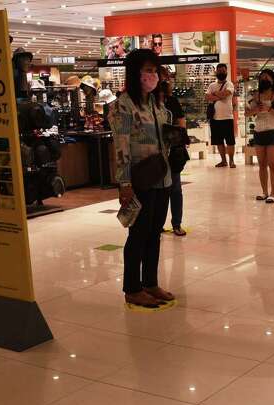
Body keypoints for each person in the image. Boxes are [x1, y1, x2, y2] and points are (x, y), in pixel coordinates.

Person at [111, 49, 175, 308]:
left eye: (155, 70)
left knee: (155, 233)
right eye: (147, 70)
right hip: (140, 179)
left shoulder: (157, 104)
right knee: (138, 234)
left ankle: (150, 282)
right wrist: (124, 183)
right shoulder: (123, 106)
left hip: (163, 177)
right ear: (135, 73)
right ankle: (132, 287)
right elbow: (121, 146)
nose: (152, 75)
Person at [246, 69, 274, 204]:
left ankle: (273, 193)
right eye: (262, 78)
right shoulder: (255, 96)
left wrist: (269, 109)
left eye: (267, 77)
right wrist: (255, 110)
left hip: (273, 132)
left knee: (272, 164)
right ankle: (264, 192)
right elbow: (247, 113)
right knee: (262, 164)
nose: (264, 80)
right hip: (259, 132)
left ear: (272, 80)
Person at [158, 65, 188, 235]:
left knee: (175, 188)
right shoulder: (147, 102)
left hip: (172, 151)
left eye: (165, 77)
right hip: (155, 153)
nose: (163, 80)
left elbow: (181, 124)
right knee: (159, 190)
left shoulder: (172, 101)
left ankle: (176, 223)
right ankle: (158, 223)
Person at [206, 63, 236, 168]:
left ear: (226, 72)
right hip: (215, 118)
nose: (221, 73)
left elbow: (226, 94)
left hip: (227, 117)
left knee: (230, 141)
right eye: (219, 71)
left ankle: (231, 161)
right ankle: (223, 161)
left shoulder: (229, 84)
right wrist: (219, 95)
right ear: (216, 72)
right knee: (219, 141)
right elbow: (207, 97)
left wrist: (214, 94)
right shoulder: (211, 85)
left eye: (223, 71)